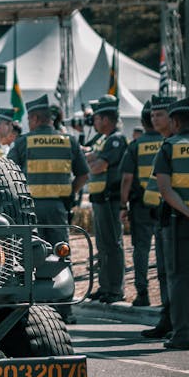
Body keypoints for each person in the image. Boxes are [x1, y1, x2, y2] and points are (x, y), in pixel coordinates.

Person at [9, 94, 89, 324]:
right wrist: (70, 194)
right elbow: (83, 175)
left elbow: (12, 174)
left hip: (30, 210)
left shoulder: (23, 142)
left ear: (34, 118)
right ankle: (65, 311)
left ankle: (32, 311)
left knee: (30, 256)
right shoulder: (69, 141)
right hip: (57, 208)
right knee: (61, 256)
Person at [151, 96, 189, 350]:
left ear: (176, 122)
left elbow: (166, 190)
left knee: (179, 278)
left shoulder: (170, 146)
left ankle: (180, 335)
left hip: (181, 223)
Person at [119, 99, 168, 306]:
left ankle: (143, 293)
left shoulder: (136, 146)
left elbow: (127, 178)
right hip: (167, 204)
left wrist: (123, 205)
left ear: (142, 121)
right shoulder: (169, 142)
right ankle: (167, 298)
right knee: (165, 251)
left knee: (141, 249)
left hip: (141, 206)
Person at [86, 95, 127, 303]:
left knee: (113, 244)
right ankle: (105, 287)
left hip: (110, 197)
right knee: (103, 245)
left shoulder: (116, 139)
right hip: (100, 198)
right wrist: (92, 159)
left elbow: (98, 166)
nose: (94, 122)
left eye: (97, 118)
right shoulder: (104, 139)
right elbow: (92, 158)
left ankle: (116, 289)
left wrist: (91, 162)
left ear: (106, 119)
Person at [140, 96, 176, 338]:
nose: (154, 119)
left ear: (173, 119)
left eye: (160, 114)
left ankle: (177, 320)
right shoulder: (166, 143)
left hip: (177, 217)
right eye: (152, 115)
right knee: (165, 271)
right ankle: (169, 317)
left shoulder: (174, 145)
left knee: (176, 272)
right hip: (163, 216)